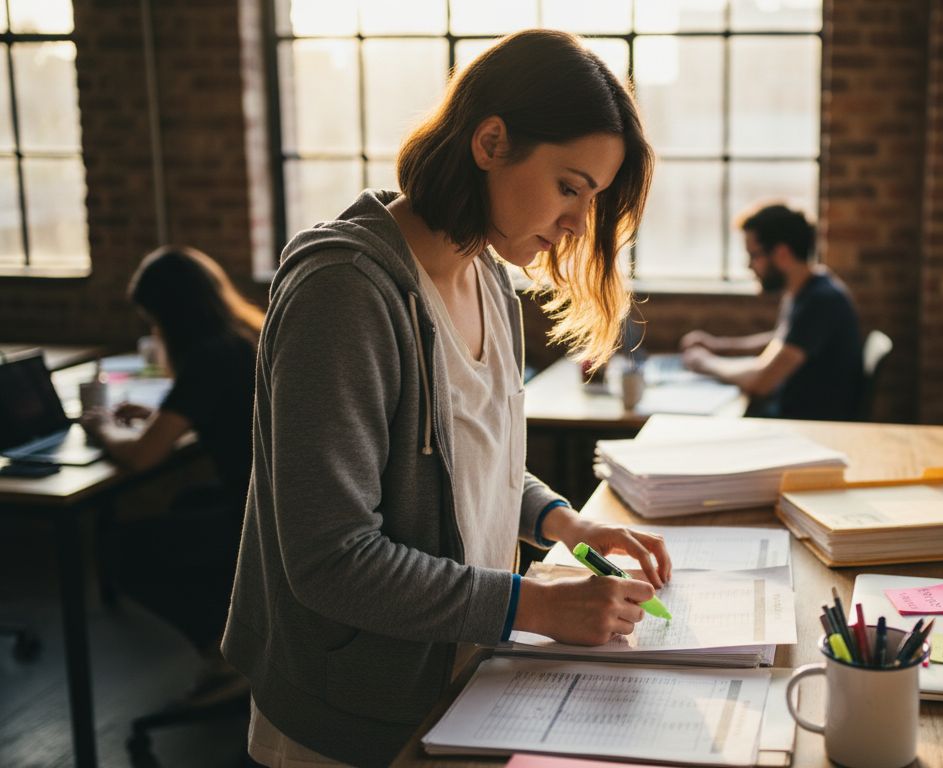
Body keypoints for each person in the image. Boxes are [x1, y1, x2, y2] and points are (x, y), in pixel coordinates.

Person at [222, 30, 670, 767]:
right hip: (349, 720)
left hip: (460, 684)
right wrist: (536, 606)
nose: (574, 224)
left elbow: (477, 462)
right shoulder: (345, 295)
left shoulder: (488, 276)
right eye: (569, 187)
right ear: (491, 142)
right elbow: (332, 559)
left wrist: (567, 526)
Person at [81, 245, 261, 686]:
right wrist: (162, 420)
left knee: (120, 552)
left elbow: (144, 457)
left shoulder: (206, 358)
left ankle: (224, 654)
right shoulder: (239, 341)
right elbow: (221, 413)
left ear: (171, 314)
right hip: (268, 506)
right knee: (187, 500)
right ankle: (237, 629)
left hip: (250, 514)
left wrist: (101, 428)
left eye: (153, 318)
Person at [680, 204, 864, 421]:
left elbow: (762, 381)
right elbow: (780, 341)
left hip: (806, 426)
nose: (749, 266)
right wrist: (719, 345)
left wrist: (705, 363)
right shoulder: (808, 289)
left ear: (782, 254)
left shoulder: (820, 301)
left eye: (753, 255)